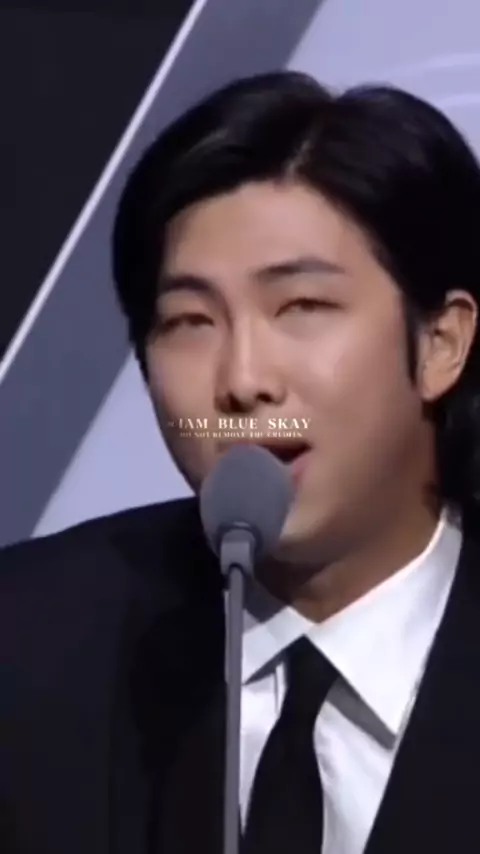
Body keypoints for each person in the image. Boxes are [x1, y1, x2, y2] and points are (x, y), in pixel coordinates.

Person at [1, 70, 480, 854]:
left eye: (302, 307)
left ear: (440, 343)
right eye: (190, 320)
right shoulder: (28, 641)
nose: (242, 380)